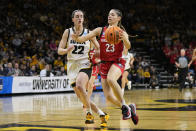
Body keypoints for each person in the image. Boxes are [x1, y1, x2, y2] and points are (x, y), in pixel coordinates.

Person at [72, 9, 138, 125]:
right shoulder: (100, 30)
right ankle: (129, 107)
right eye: (108, 14)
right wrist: (77, 38)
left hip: (117, 62)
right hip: (104, 64)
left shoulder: (122, 32)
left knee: (111, 79)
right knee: (108, 97)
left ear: (119, 18)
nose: (109, 16)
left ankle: (124, 107)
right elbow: (84, 38)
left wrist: (125, 39)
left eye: (112, 15)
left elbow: (128, 46)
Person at [57, 10, 108, 127]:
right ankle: (101, 114)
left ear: (83, 19)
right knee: (82, 97)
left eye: (81, 16)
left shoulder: (88, 33)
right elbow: (59, 50)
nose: (79, 18)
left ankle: (89, 113)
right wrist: (66, 50)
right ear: (72, 19)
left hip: (85, 64)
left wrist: (96, 55)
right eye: (77, 16)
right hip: (71, 66)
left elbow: (100, 49)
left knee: (80, 85)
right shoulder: (67, 32)